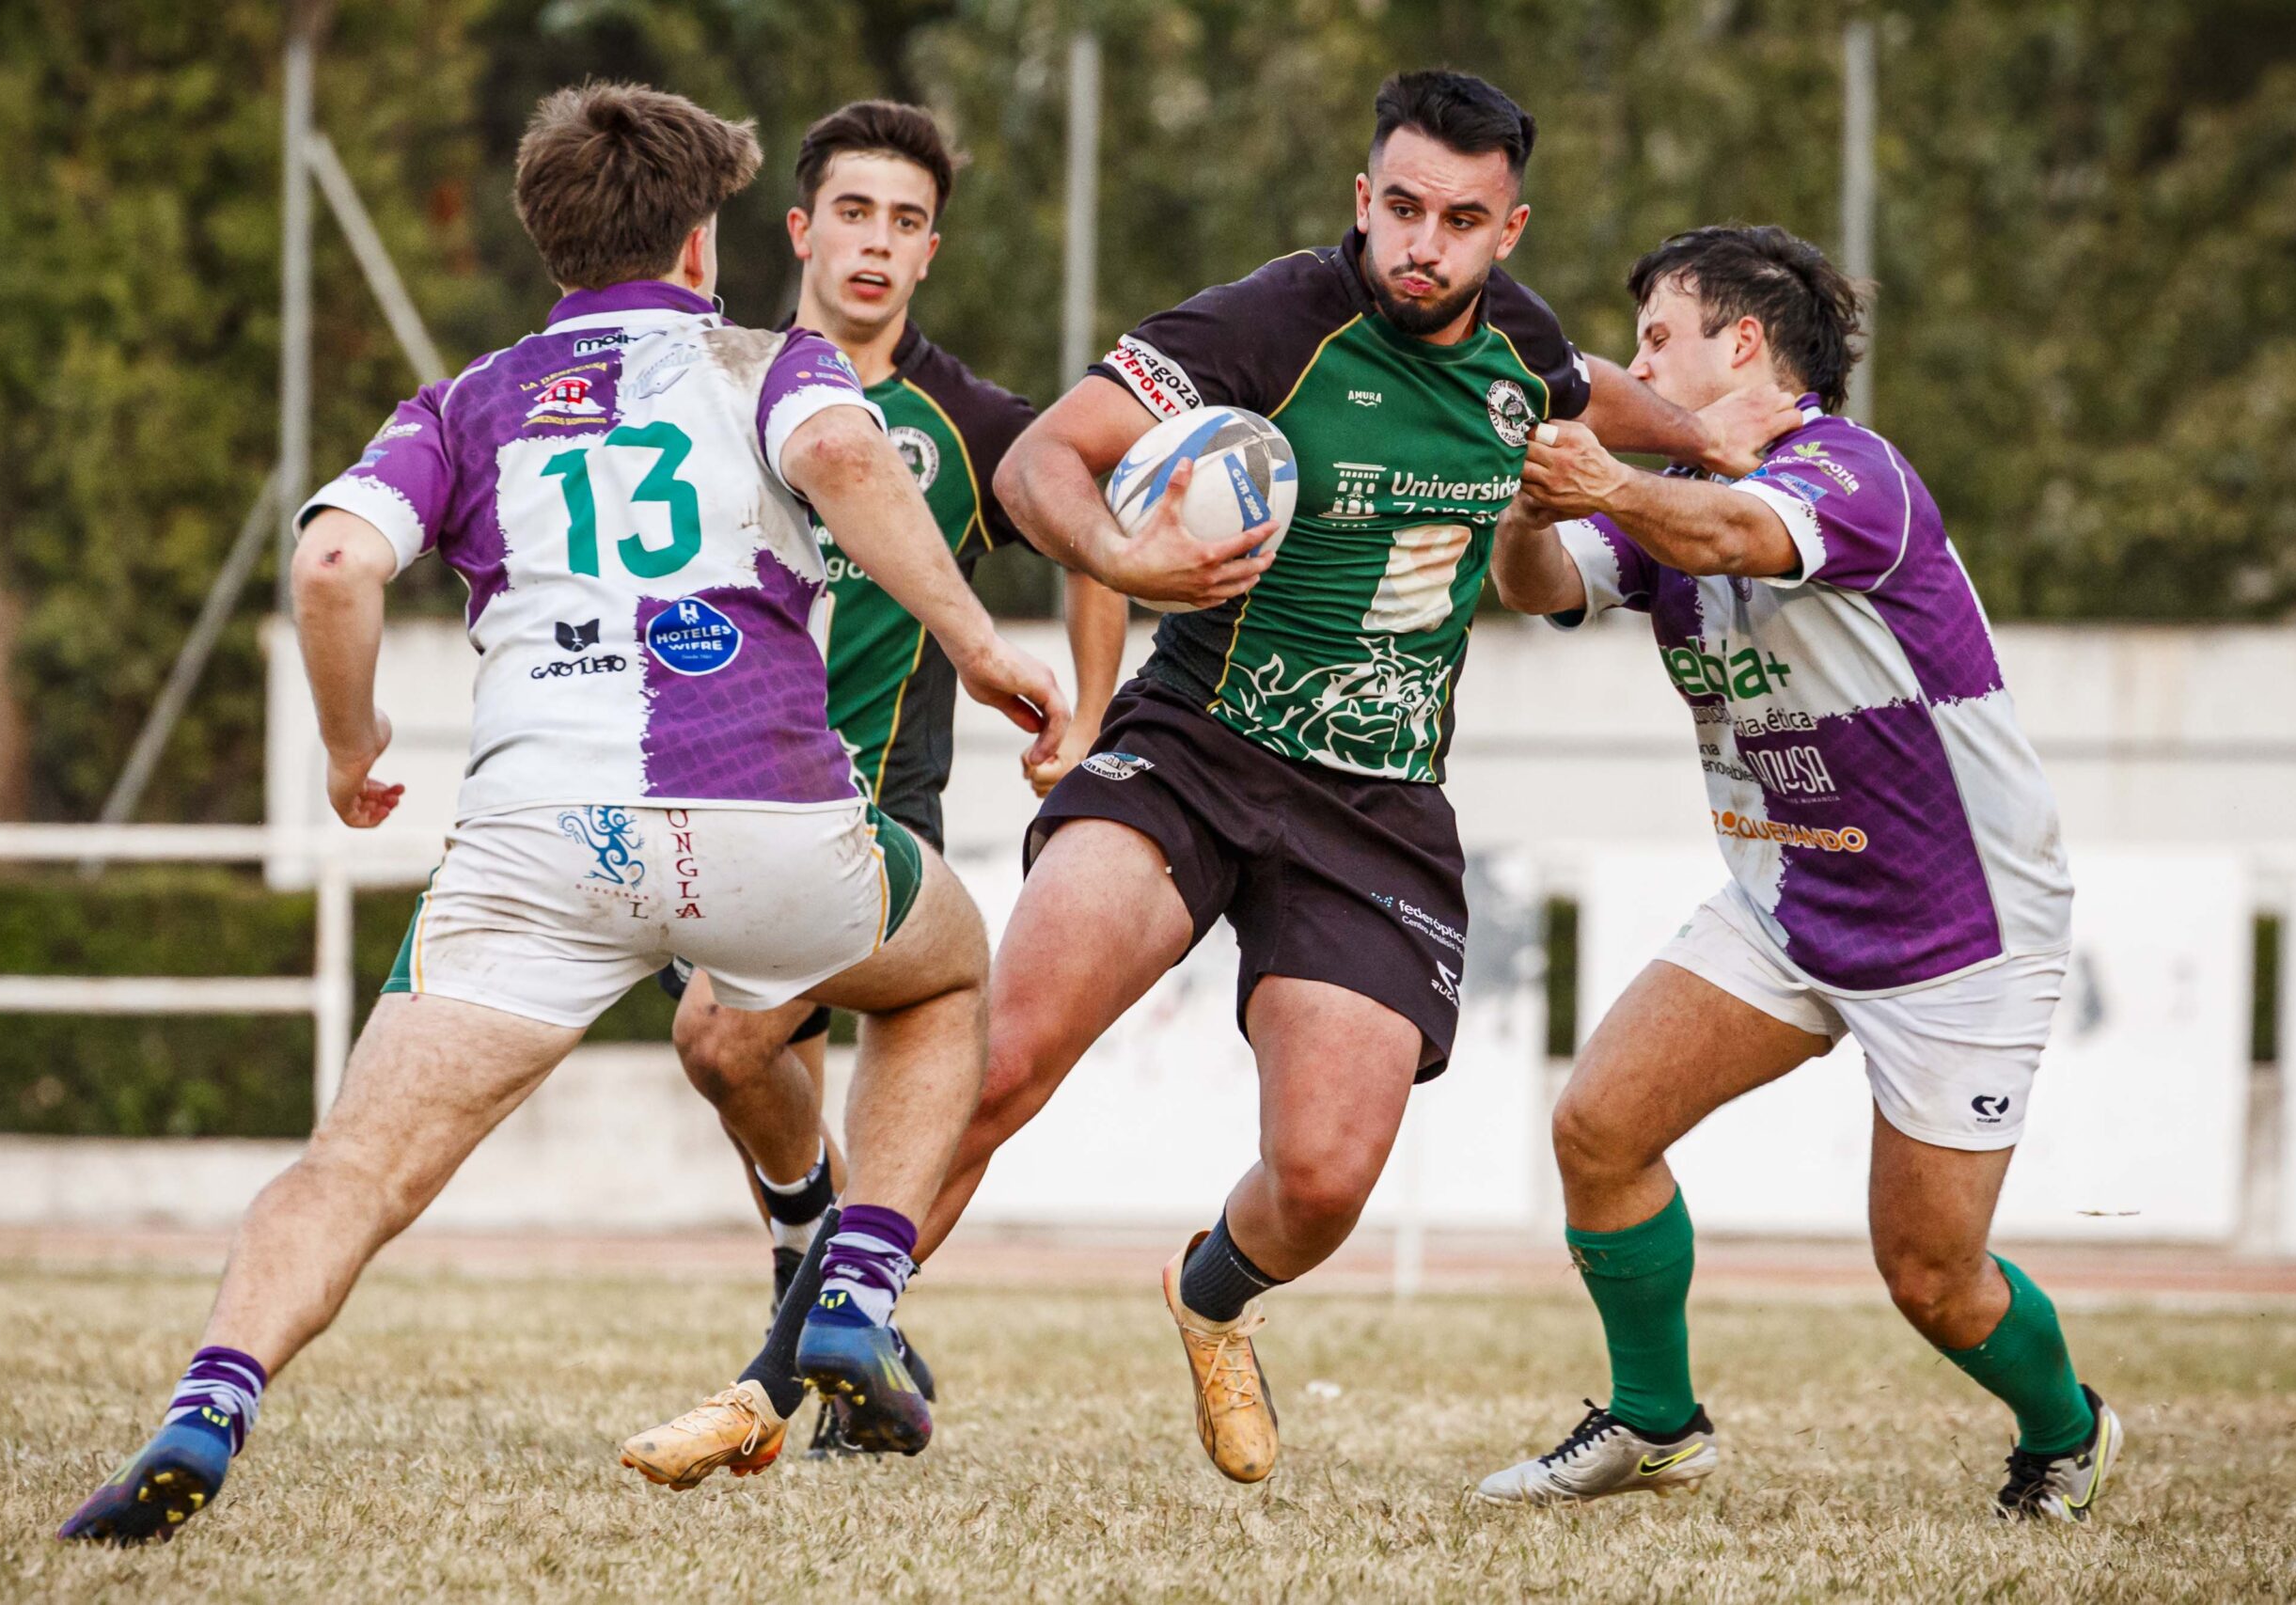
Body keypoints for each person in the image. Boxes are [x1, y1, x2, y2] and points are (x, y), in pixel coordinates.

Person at [627, 68, 1799, 1487]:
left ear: (1509, 230)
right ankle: (779, 1383)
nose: (1425, 244)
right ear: (1364, 200)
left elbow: (1582, 389)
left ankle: (1208, 1298)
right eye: (1405, 209)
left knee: (1321, 1184)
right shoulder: (1270, 322)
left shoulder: (1523, 351)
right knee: (998, 1062)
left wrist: (1709, 437)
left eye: (1465, 221)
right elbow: (1047, 461)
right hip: (1192, 747)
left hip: (1375, 805)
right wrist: (1124, 559)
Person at [57, 81, 1066, 1545]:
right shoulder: (764, 363)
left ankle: (209, 1402)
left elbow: (335, 567)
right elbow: (848, 462)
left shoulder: (467, 401)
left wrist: (354, 751)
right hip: (764, 821)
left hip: (540, 845)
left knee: (352, 1165)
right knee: (951, 966)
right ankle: (856, 1285)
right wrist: (979, 648)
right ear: (707, 239)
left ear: (549, 241)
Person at [1478, 224, 2115, 1521]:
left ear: (1745, 344)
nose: (1640, 363)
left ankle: (2070, 1428)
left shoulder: (1848, 472)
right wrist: (1532, 505)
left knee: (1932, 1275)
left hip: (1960, 930)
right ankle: (1655, 1422)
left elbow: (1722, 533)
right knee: (1599, 1129)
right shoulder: (1664, 496)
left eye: (1660, 336)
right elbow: (1538, 590)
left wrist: (1602, 475)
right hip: (1783, 905)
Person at [634, 101, 1127, 1465]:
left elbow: (1082, 522)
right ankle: (844, 1299)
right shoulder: (711, 380)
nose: (876, 243)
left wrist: (1086, 709)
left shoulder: (962, 419)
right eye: (853, 212)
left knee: (720, 1039)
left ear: (928, 256)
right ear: (799, 230)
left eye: (906, 224)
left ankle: (816, 1280)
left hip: (870, 820)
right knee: (742, 1063)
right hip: (717, 805)